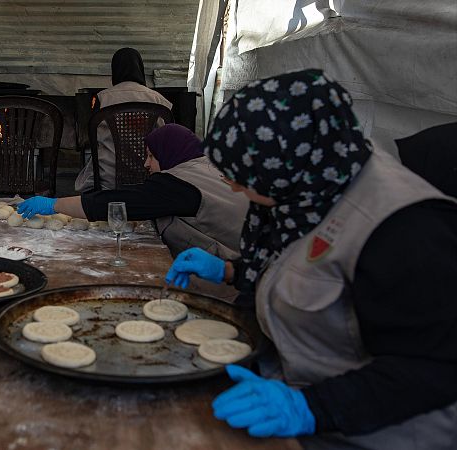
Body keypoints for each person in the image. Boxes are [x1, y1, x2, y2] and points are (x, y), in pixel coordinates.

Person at [165, 69, 457, 449]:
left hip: (376, 428)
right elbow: (303, 271)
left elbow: (434, 368)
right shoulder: (305, 189)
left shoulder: (403, 231)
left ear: (282, 164)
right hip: (299, 388)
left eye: (243, 176)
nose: (234, 186)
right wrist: (234, 270)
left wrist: (308, 407)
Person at [19, 124, 249, 260]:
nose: (146, 164)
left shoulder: (180, 184)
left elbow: (118, 204)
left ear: (169, 152)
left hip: (233, 277)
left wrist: (53, 205)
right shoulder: (208, 166)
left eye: (151, 156)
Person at [74, 47, 173, 192]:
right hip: (151, 178)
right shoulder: (159, 100)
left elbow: (91, 137)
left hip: (108, 180)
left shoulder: (102, 98)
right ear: (140, 68)